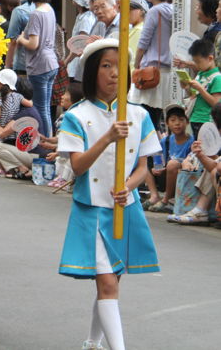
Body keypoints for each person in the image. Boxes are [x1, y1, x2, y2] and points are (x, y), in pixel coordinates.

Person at [57, 38, 160, 350]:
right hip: (91, 210)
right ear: (91, 71)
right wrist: (107, 137)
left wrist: (128, 187)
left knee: (112, 281)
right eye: (106, 66)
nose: (115, 73)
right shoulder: (77, 115)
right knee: (107, 282)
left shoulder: (139, 115)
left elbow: (144, 167)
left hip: (124, 208)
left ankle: (92, 341)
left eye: (120, 66)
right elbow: (77, 166)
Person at [130, 0, 174, 131]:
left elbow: (144, 42)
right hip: (168, 69)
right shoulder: (173, 10)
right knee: (162, 116)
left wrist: (136, 65)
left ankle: (148, 152)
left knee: (147, 116)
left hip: (152, 71)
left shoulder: (154, 11)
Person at [16, 0, 59, 138]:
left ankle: (45, 141)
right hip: (51, 62)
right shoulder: (50, 10)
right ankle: (49, 138)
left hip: (39, 65)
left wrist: (21, 39)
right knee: (46, 107)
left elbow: (33, 44)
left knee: (40, 107)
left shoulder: (36, 13)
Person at [167, 103, 221, 226]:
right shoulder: (167, 141)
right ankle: (199, 210)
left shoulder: (190, 138)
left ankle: (200, 210)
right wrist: (196, 155)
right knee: (212, 169)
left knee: (214, 169)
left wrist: (204, 157)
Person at [144, 105, 193, 213]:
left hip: (182, 179)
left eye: (181, 119)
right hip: (165, 177)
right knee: (142, 160)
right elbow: (158, 162)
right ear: (167, 123)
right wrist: (156, 168)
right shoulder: (164, 141)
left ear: (187, 122)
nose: (177, 123)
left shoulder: (192, 142)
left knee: (172, 164)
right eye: (173, 120)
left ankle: (166, 200)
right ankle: (154, 195)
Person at [40, 82, 83, 188]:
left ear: (75, 98)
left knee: (68, 157)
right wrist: (47, 139)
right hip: (65, 150)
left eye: (66, 94)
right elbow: (61, 138)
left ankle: (65, 179)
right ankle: (61, 177)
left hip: (75, 151)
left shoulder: (73, 116)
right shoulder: (67, 114)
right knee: (59, 157)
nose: (62, 96)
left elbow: (73, 142)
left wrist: (54, 149)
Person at [181, 39, 221, 139]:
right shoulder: (200, 74)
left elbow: (216, 103)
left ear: (210, 58)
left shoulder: (217, 78)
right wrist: (187, 88)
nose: (196, 65)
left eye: (198, 62)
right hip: (194, 118)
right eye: (195, 62)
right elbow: (194, 96)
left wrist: (200, 89)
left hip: (207, 121)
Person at [5, 0, 37, 75]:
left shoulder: (19, 11)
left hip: (23, 66)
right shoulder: (47, 9)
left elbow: (13, 43)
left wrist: (7, 69)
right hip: (42, 66)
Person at [64, 0, 96, 79]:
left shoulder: (86, 19)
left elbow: (80, 44)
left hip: (77, 67)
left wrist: (66, 62)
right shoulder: (82, 16)